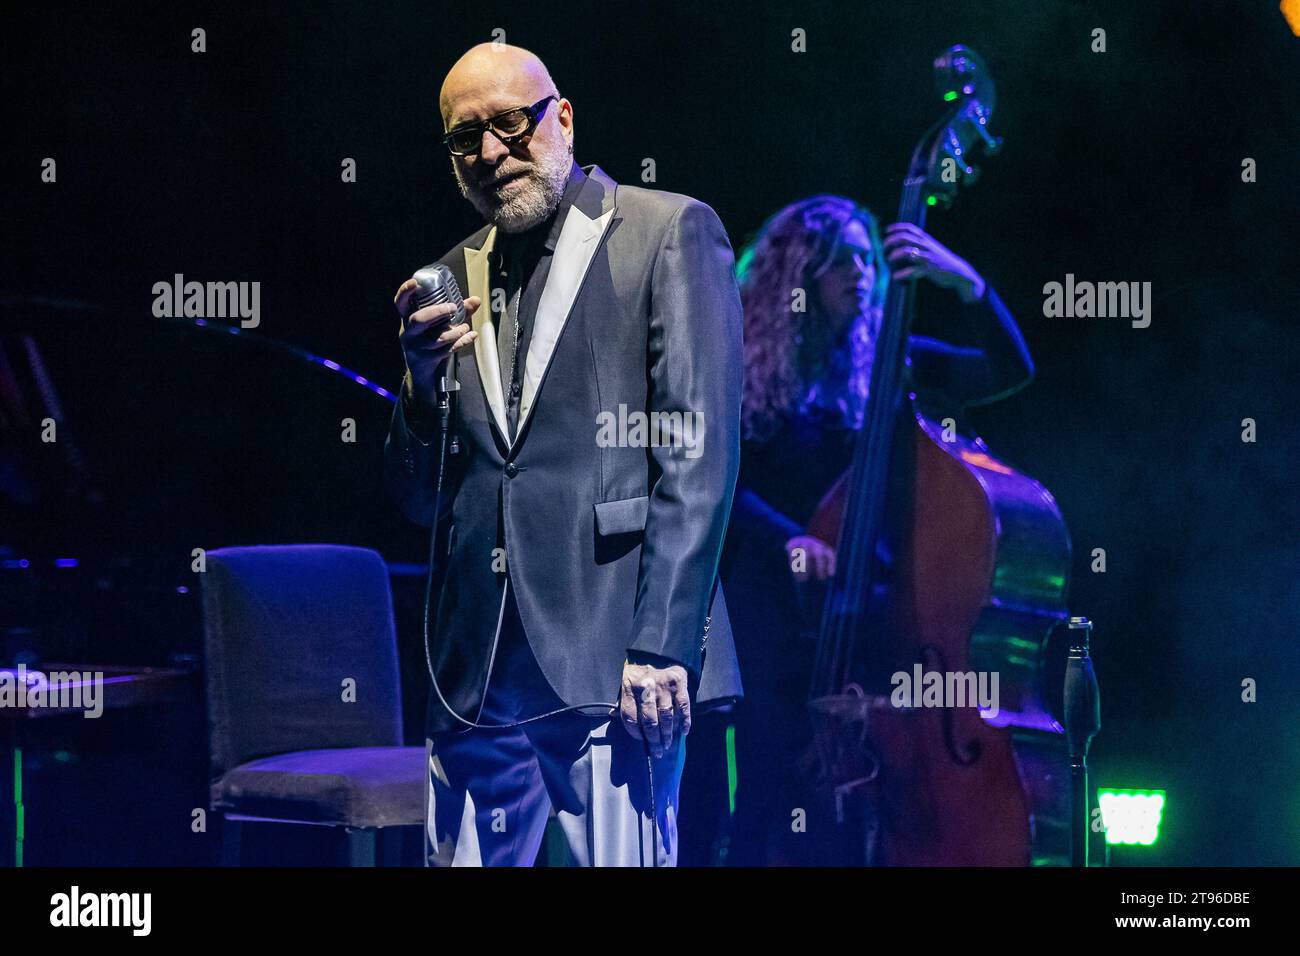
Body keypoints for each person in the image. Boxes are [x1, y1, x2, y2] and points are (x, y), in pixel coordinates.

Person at [384, 43, 743, 867]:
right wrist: (417, 386)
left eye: (509, 123)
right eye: (464, 139)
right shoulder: (448, 277)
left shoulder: (666, 231)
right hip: (477, 672)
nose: (489, 153)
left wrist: (660, 644)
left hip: (612, 652)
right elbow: (417, 503)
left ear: (562, 119)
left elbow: (698, 458)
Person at [717, 195, 1034, 864]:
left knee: (871, 797)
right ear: (797, 278)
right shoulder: (742, 366)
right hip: (771, 605)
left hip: (874, 612)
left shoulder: (892, 365)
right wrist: (790, 541)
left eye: (867, 261)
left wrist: (967, 283)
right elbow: (718, 482)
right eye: (839, 264)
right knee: (773, 786)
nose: (860, 276)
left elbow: (1012, 370)